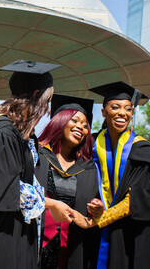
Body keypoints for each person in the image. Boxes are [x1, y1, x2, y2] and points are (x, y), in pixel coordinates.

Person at [0, 60, 75, 269]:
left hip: (14, 232)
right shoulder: (3, 132)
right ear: (37, 95)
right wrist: (52, 204)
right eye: (47, 100)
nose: (47, 108)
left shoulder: (19, 132)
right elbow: (6, 189)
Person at [72, 81, 150, 269]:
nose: (122, 113)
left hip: (128, 232)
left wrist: (101, 219)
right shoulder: (89, 146)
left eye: (128, 109)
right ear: (104, 112)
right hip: (90, 229)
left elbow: (139, 198)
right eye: (115, 107)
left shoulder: (144, 151)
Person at [35, 94, 103, 269]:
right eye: (75, 120)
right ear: (60, 121)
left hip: (71, 246)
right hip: (35, 241)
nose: (80, 127)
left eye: (85, 125)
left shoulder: (88, 168)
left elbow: (96, 202)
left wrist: (97, 206)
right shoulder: (37, 155)